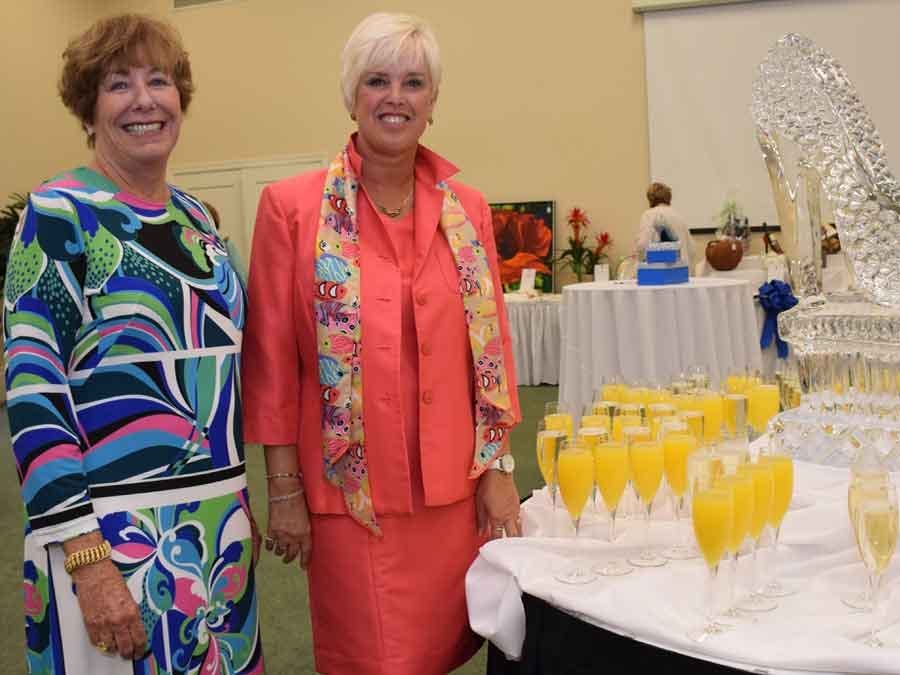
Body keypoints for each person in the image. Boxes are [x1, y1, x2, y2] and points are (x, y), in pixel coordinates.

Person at [242, 12, 522, 675]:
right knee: (373, 659)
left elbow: (490, 353)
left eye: (413, 82)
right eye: (377, 80)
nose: (395, 97)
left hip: (452, 489)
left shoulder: (468, 207)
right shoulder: (292, 208)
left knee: (446, 647)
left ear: (432, 102)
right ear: (351, 94)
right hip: (350, 496)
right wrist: (284, 492)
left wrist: (499, 470)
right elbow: (274, 363)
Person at [4, 14, 262, 673]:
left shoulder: (198, 220)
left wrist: (237, 501)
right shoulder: (60, 213)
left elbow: (223, 378)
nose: (145, 99)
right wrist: (88, 560)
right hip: (115, 541)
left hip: (215, 530)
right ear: (88, 109)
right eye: (120, 85)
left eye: (160, 80)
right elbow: (33, 388)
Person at [635, 181, 695, 268]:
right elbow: (692, 249)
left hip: (659, 272)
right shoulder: (678, 215)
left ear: (650, 198)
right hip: (681, 272)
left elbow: (643, 245)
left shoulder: (649, 215)